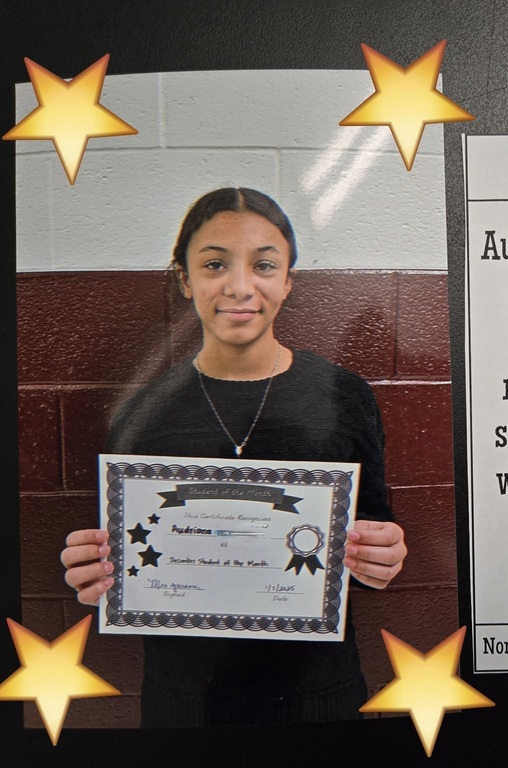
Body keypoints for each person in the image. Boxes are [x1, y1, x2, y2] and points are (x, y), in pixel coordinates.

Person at [60, 187, 407, 727]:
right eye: (215, 264)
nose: (240, 287)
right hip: (187, 709)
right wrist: (96, 574)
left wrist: (380, 557)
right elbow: (123, 559)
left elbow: (371, 538)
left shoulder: (345, 395)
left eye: (264, 265)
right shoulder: (141, 414)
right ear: (184, 279)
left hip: (319, 699)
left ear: (289, 280)